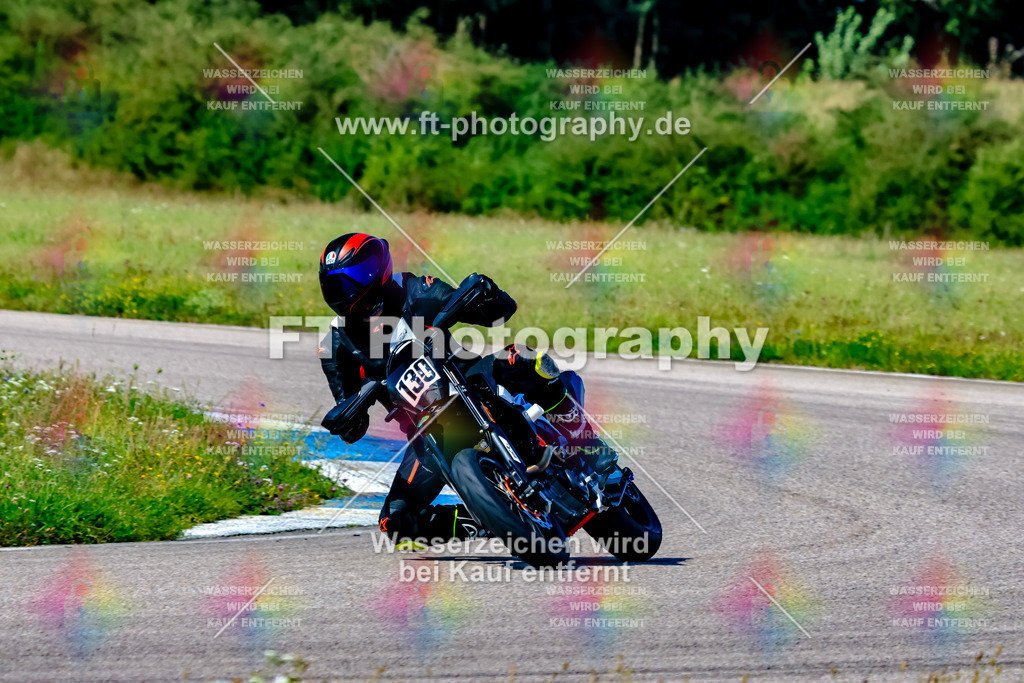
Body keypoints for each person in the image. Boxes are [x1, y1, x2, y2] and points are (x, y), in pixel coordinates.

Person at [317, 233, 616, 543]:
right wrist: (348, 420)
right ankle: (490, 517)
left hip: (470, 380)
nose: (343, 292)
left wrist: (485, 293)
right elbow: (351, 420)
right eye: (335, 284)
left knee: (524, 357)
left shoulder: (414, 289)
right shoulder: (334, 346)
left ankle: (589, 444)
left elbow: (499, 312)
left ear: (374, 270)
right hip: (428, 432)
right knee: (394, 522)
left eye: (350, 279)